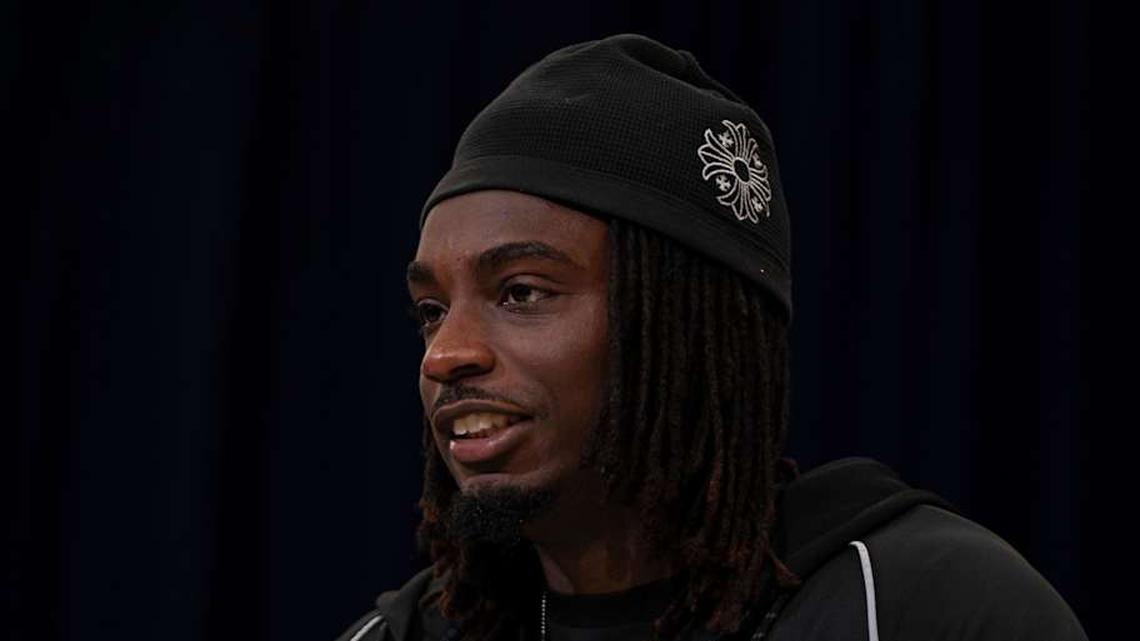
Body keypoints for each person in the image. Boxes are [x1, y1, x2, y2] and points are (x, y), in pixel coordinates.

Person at [336, 34, 1086, 641]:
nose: (446, 354)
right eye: (431, 309)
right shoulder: (407, 632)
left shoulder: (923, 607)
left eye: (523, 291)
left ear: (688, 327)